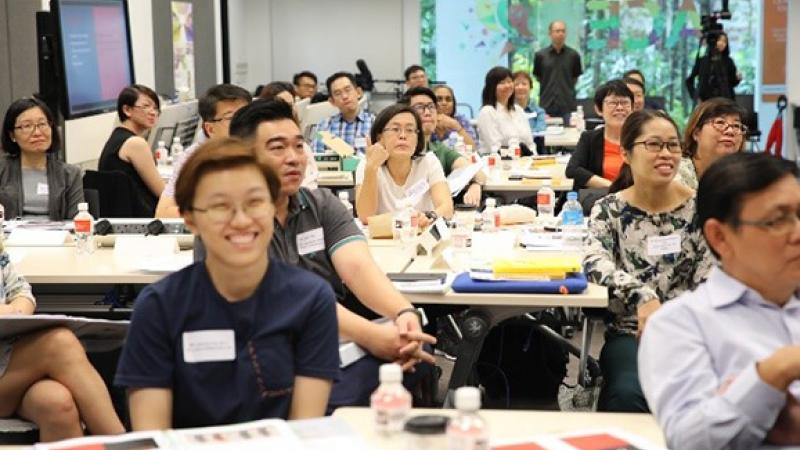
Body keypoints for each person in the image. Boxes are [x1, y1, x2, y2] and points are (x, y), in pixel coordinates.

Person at [116, 137, 340, 429]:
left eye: (255, 202)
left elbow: (305, 430)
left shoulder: (310, 299)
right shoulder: (159, 307)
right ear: (190, 219)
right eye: (220, 206)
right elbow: (152, 436)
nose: (242, 221)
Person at [227, 100, 436, 411]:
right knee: (366, 381)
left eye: (298, 146)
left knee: (413, 353)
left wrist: (404, 313)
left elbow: (359, 267)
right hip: (265, 349)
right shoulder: (229, 220)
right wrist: (372, 336)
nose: (293, 158)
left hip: (332, 339)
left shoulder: (320, 204)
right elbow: (289, 301)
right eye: (278, 148)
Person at [640, 152, 800, 449]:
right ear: (720, 237)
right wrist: (774, 373)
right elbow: (690, 442)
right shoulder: (681, 324)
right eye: (778, 221)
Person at [583, 109, 713, 412]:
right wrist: (642, 295)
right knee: (628, 393)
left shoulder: (702, 209)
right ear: (626, 153)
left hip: (691, 331)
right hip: (631, 334)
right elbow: (592, 260)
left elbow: (711, 280)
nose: (666, 154)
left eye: (673, 145)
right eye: (654, 144)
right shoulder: (609, 210)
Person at [0, 240, 124, 440]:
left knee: (57, 404)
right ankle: (126, 444)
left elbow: (21, 290)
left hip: (8, 366)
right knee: (59, 343)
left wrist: (16, 311)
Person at [155, 83, 252, 219]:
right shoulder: (193, 158)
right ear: (210, 129)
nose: (243, 122)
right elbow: (163, 212)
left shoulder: (262, 150)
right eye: (231, 118)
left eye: (247, 115)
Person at [355, 104, 454, 226]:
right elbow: (366, 217)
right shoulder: (367, 165)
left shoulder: (428, 162)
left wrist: (430, 216)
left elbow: (447, 208)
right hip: (383, 236)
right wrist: (371, 168)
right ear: (380, 136)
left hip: (420, 233)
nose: (403, 136)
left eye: (410, 130)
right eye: (395, 129)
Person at [0, 97, 83, 220]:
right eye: (27, 126)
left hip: (57, 232)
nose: (37, 133)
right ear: (12, 135)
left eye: (42, 124)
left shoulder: (70, 175)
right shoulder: (2, 170)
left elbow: (77, 221)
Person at [402, 87, 485, 206]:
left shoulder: (439, 149)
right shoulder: (399, 150)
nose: (427, 112)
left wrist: (475, 185)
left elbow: (475, 171)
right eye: (419, 107)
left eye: (431, 107)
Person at [99, 84, 164, 216]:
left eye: (155, 108)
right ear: (127, 110)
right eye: (146, 106)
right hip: (140, 219)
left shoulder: (117, 137)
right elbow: (162, 192)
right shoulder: (135, 144)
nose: (153, 112)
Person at [565, 80, 634, 189]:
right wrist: (612, 187)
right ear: (599, 109)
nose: (620, 108)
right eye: (613, 103)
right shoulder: (589, 138)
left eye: (625, 103)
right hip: (599, 196)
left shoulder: (640, 139)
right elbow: (572, 170)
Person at [258, 82, 319, 189]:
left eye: (291, 105)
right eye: (281, 105)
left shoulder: (301, 143)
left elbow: (313, 175)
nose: (288, 110)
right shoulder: (262, 142)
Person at [676, 97, 746, 190]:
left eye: (736, 126)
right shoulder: (676, 174)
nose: (730, 131)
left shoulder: (744, 176)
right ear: (696, 133)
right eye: (720, 122)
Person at [476, 66, 535, 155]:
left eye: (509, 81)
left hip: (526, 160)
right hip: (499, 161)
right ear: (492, 87)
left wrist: (534, 157)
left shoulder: (518, 110)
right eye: (502, 83)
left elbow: (530, 143)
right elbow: (495, 148)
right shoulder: (487, 112)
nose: (507, 85)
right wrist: (519, 154)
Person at [311, 72, 374, 155]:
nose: (344, 96)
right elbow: (316, 157)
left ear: (358, 92)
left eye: (348, 90)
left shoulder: (374, 122)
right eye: (338, 93)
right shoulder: (323, 126)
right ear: (332, 101)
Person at [533, 20, 583, 121]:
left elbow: (575, 78)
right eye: (557, 31)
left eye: (563, 31)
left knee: (570, 130)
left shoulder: (574, 55)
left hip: (567, 105)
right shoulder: (540, 56)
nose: (561, 34)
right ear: (550, 33)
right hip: (547, 104)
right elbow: (538, 77)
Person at [686, 31, 741, 102]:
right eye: (719, 40)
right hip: (706, 102)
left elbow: (731, 83)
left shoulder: (729, 61)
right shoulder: (702, 61)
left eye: (725, 41)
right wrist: (696, 97)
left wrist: (737, 79)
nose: (722, 43)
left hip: (726, 102)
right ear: (712, 42)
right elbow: (689, 81)